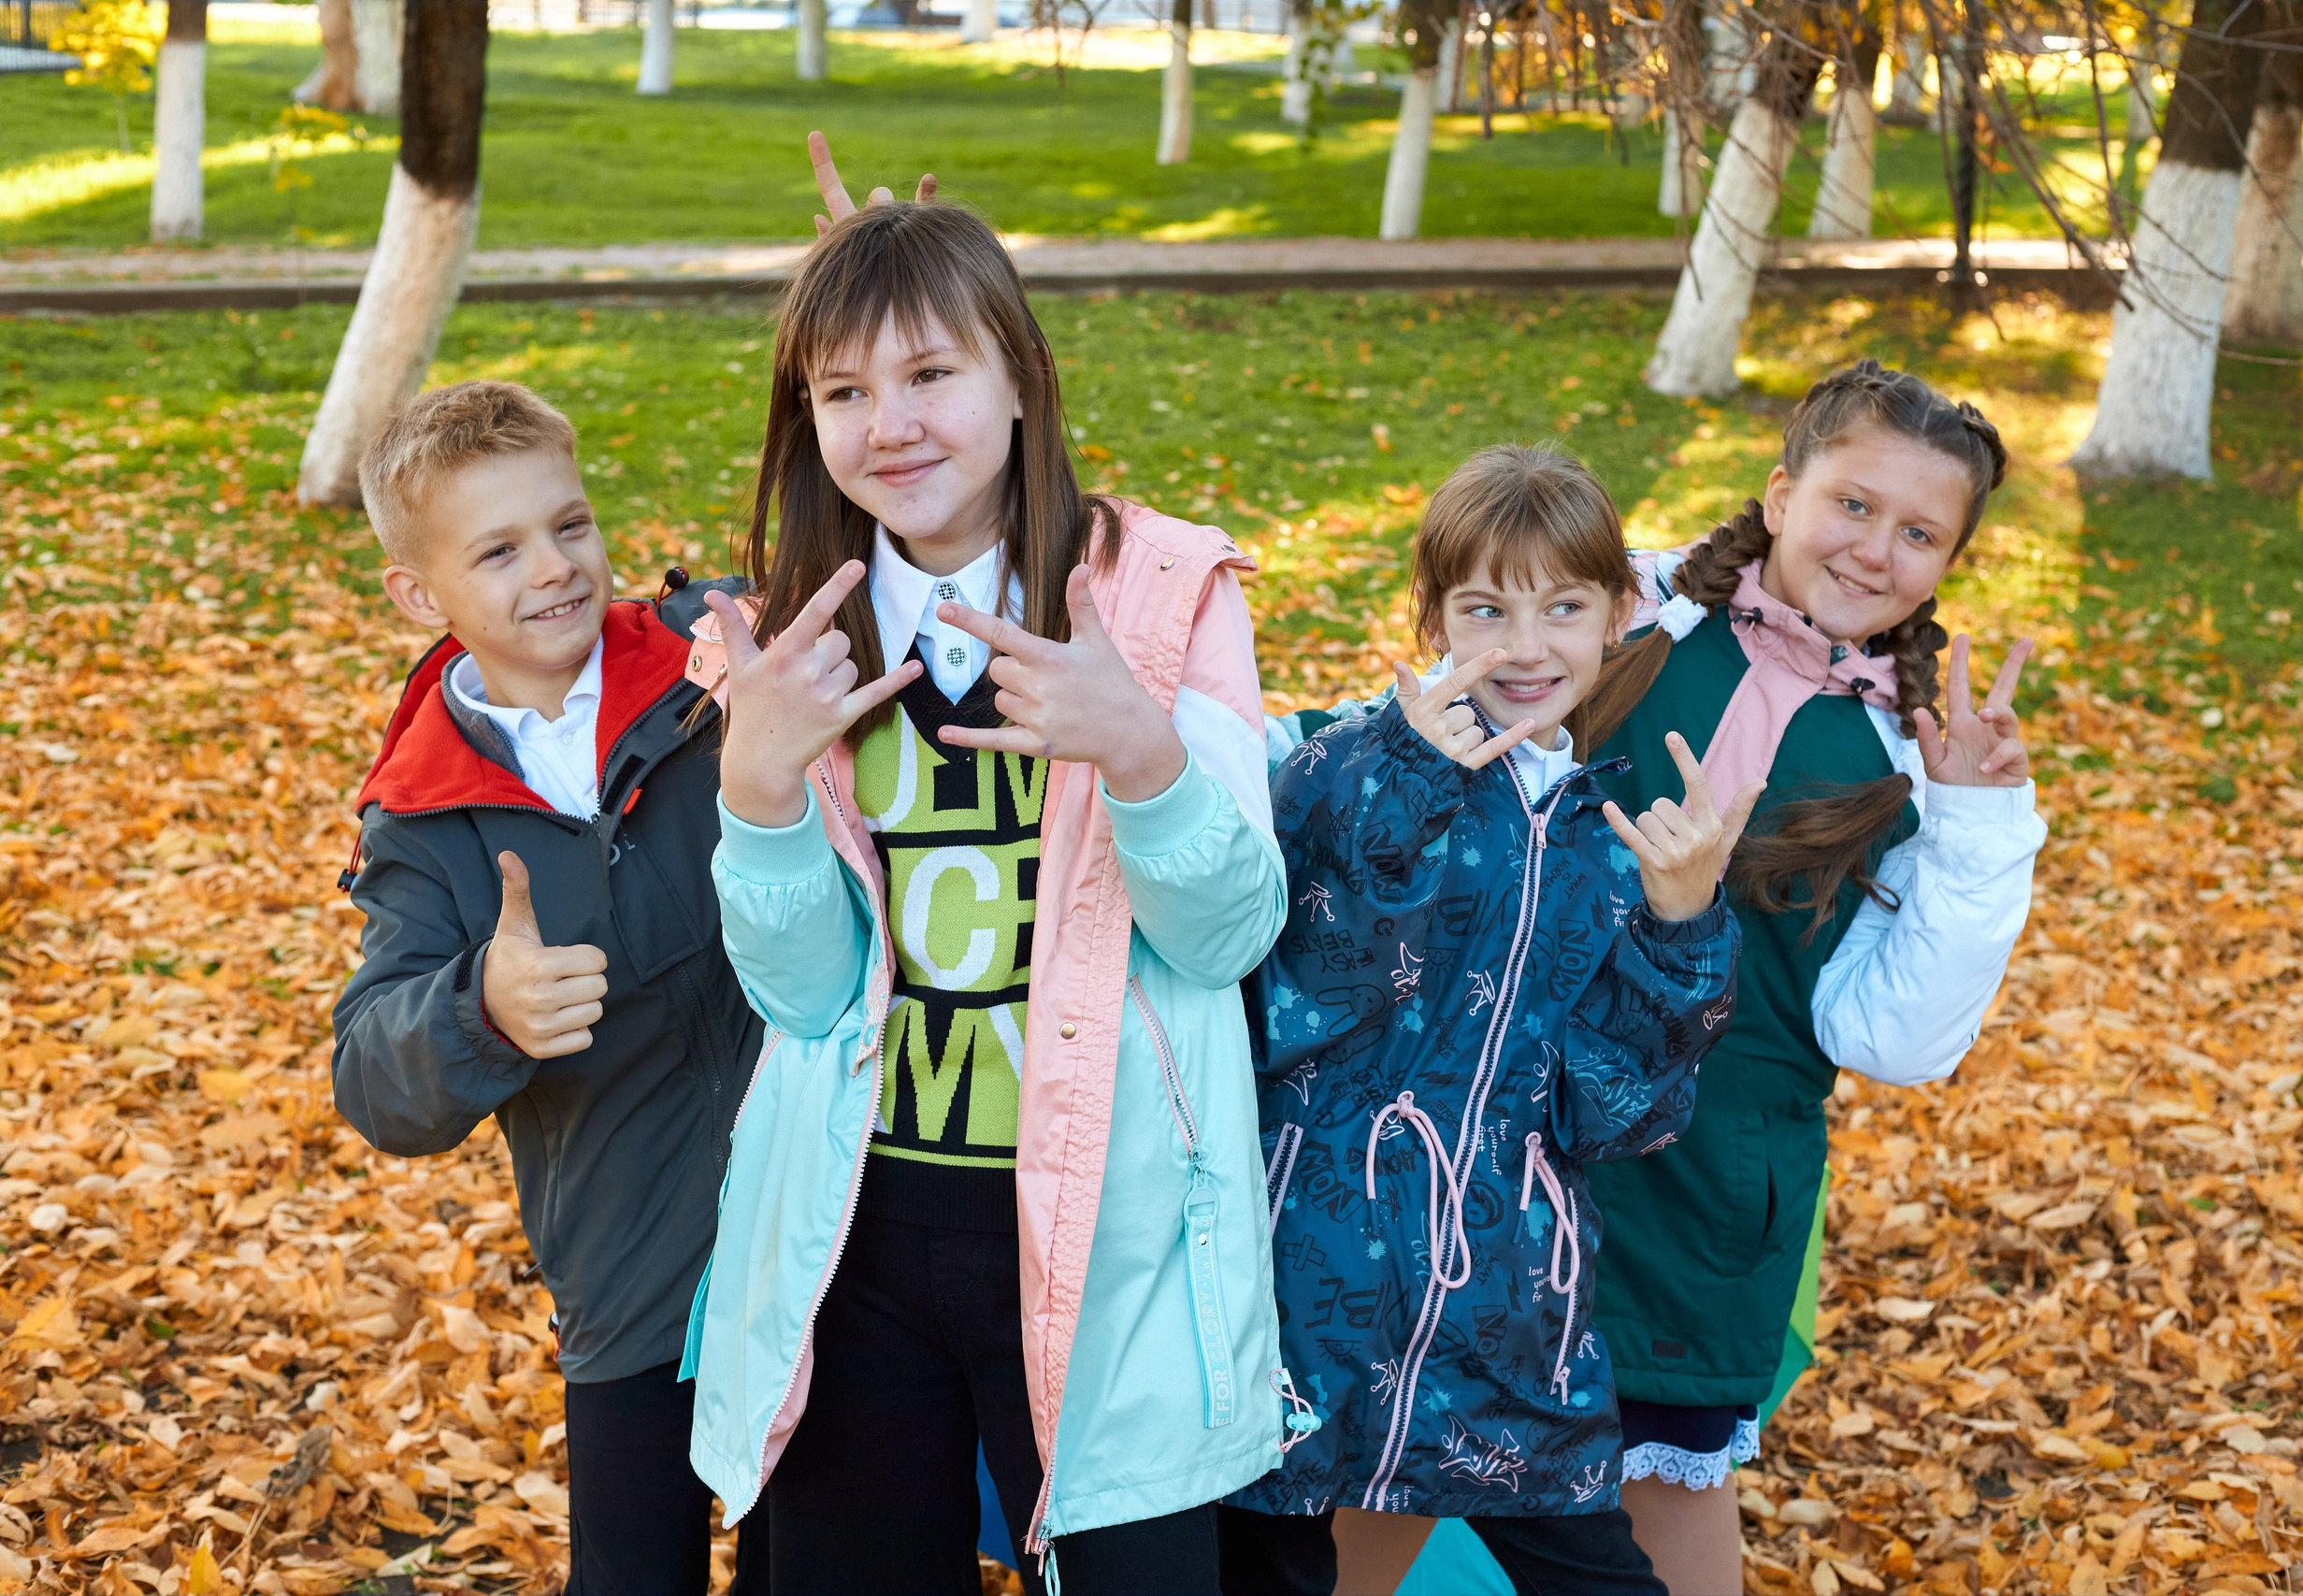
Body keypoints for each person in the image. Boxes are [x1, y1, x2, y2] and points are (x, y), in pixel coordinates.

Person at [679, 198, 1299, 1595]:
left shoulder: (1158, 595)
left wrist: (1140, 753)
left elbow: (1230, 932)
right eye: (843, 390)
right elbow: (802, 992)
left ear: (1020, 374)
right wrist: (759, 794)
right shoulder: (794, 639)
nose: (887, 421)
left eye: (929, 373)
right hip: (862, 1234)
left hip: (1115, 1234)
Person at [1216, 444, 1756, 1596]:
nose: (1524, 647)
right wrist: (1403, 783)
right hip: (1297, 1297)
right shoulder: (1334, 766)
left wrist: (1680, 925)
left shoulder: (1605, 836)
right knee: (1266, 1575)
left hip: (1509, 1318)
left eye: (1563, 607)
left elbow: (1610, 1114)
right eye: (1485, 608)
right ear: (1431, 613)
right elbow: (1302, 1006)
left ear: (1616, 616)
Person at [1585, 361, 2046, 1594]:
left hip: (1708, 1176)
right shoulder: (1623, 621)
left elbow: (1895, 1037)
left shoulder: (1907, 757)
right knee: (1417, 1455)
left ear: (1947, 561)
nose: (1876, 549)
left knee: (1662, 1501)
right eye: (1852, 503)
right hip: (1506, 1136)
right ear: (1781, 494)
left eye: (1919, 532)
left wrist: (1976, 823)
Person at [331, 381, 761, 1596]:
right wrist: (481, 1006)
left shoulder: (712, 668)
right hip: (631, 1273)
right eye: (501, 548)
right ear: (420, 595)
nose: (557, 567)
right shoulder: (425, 817)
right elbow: (371, 1073)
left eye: (570, 524)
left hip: (820, 1223)